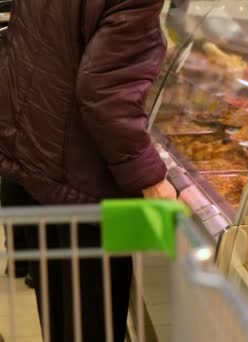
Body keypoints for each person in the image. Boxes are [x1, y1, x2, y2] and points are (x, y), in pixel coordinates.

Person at [0, 1, 176, 341]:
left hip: (39, 161)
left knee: (59, 311)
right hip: (93, 182)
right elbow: (106, 93)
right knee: (94, 319)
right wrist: (151, 179)